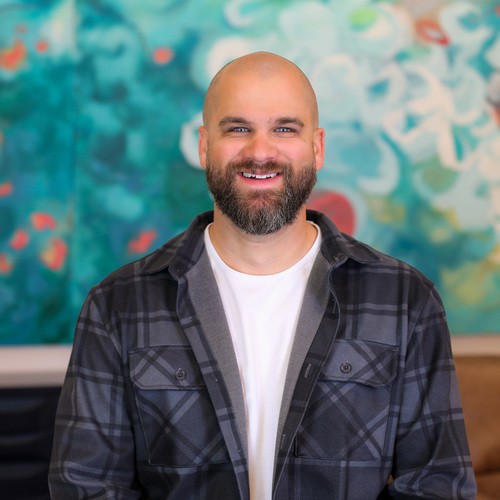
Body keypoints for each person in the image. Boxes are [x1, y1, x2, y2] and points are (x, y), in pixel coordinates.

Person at [49, 52, 476, 499]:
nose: (260, 152)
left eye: (285, 129)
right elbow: (86, 487)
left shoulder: (405, 300)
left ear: (317, 148)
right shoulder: (117, 305)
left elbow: (438, 487)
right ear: (204, 146)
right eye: (237, 129)